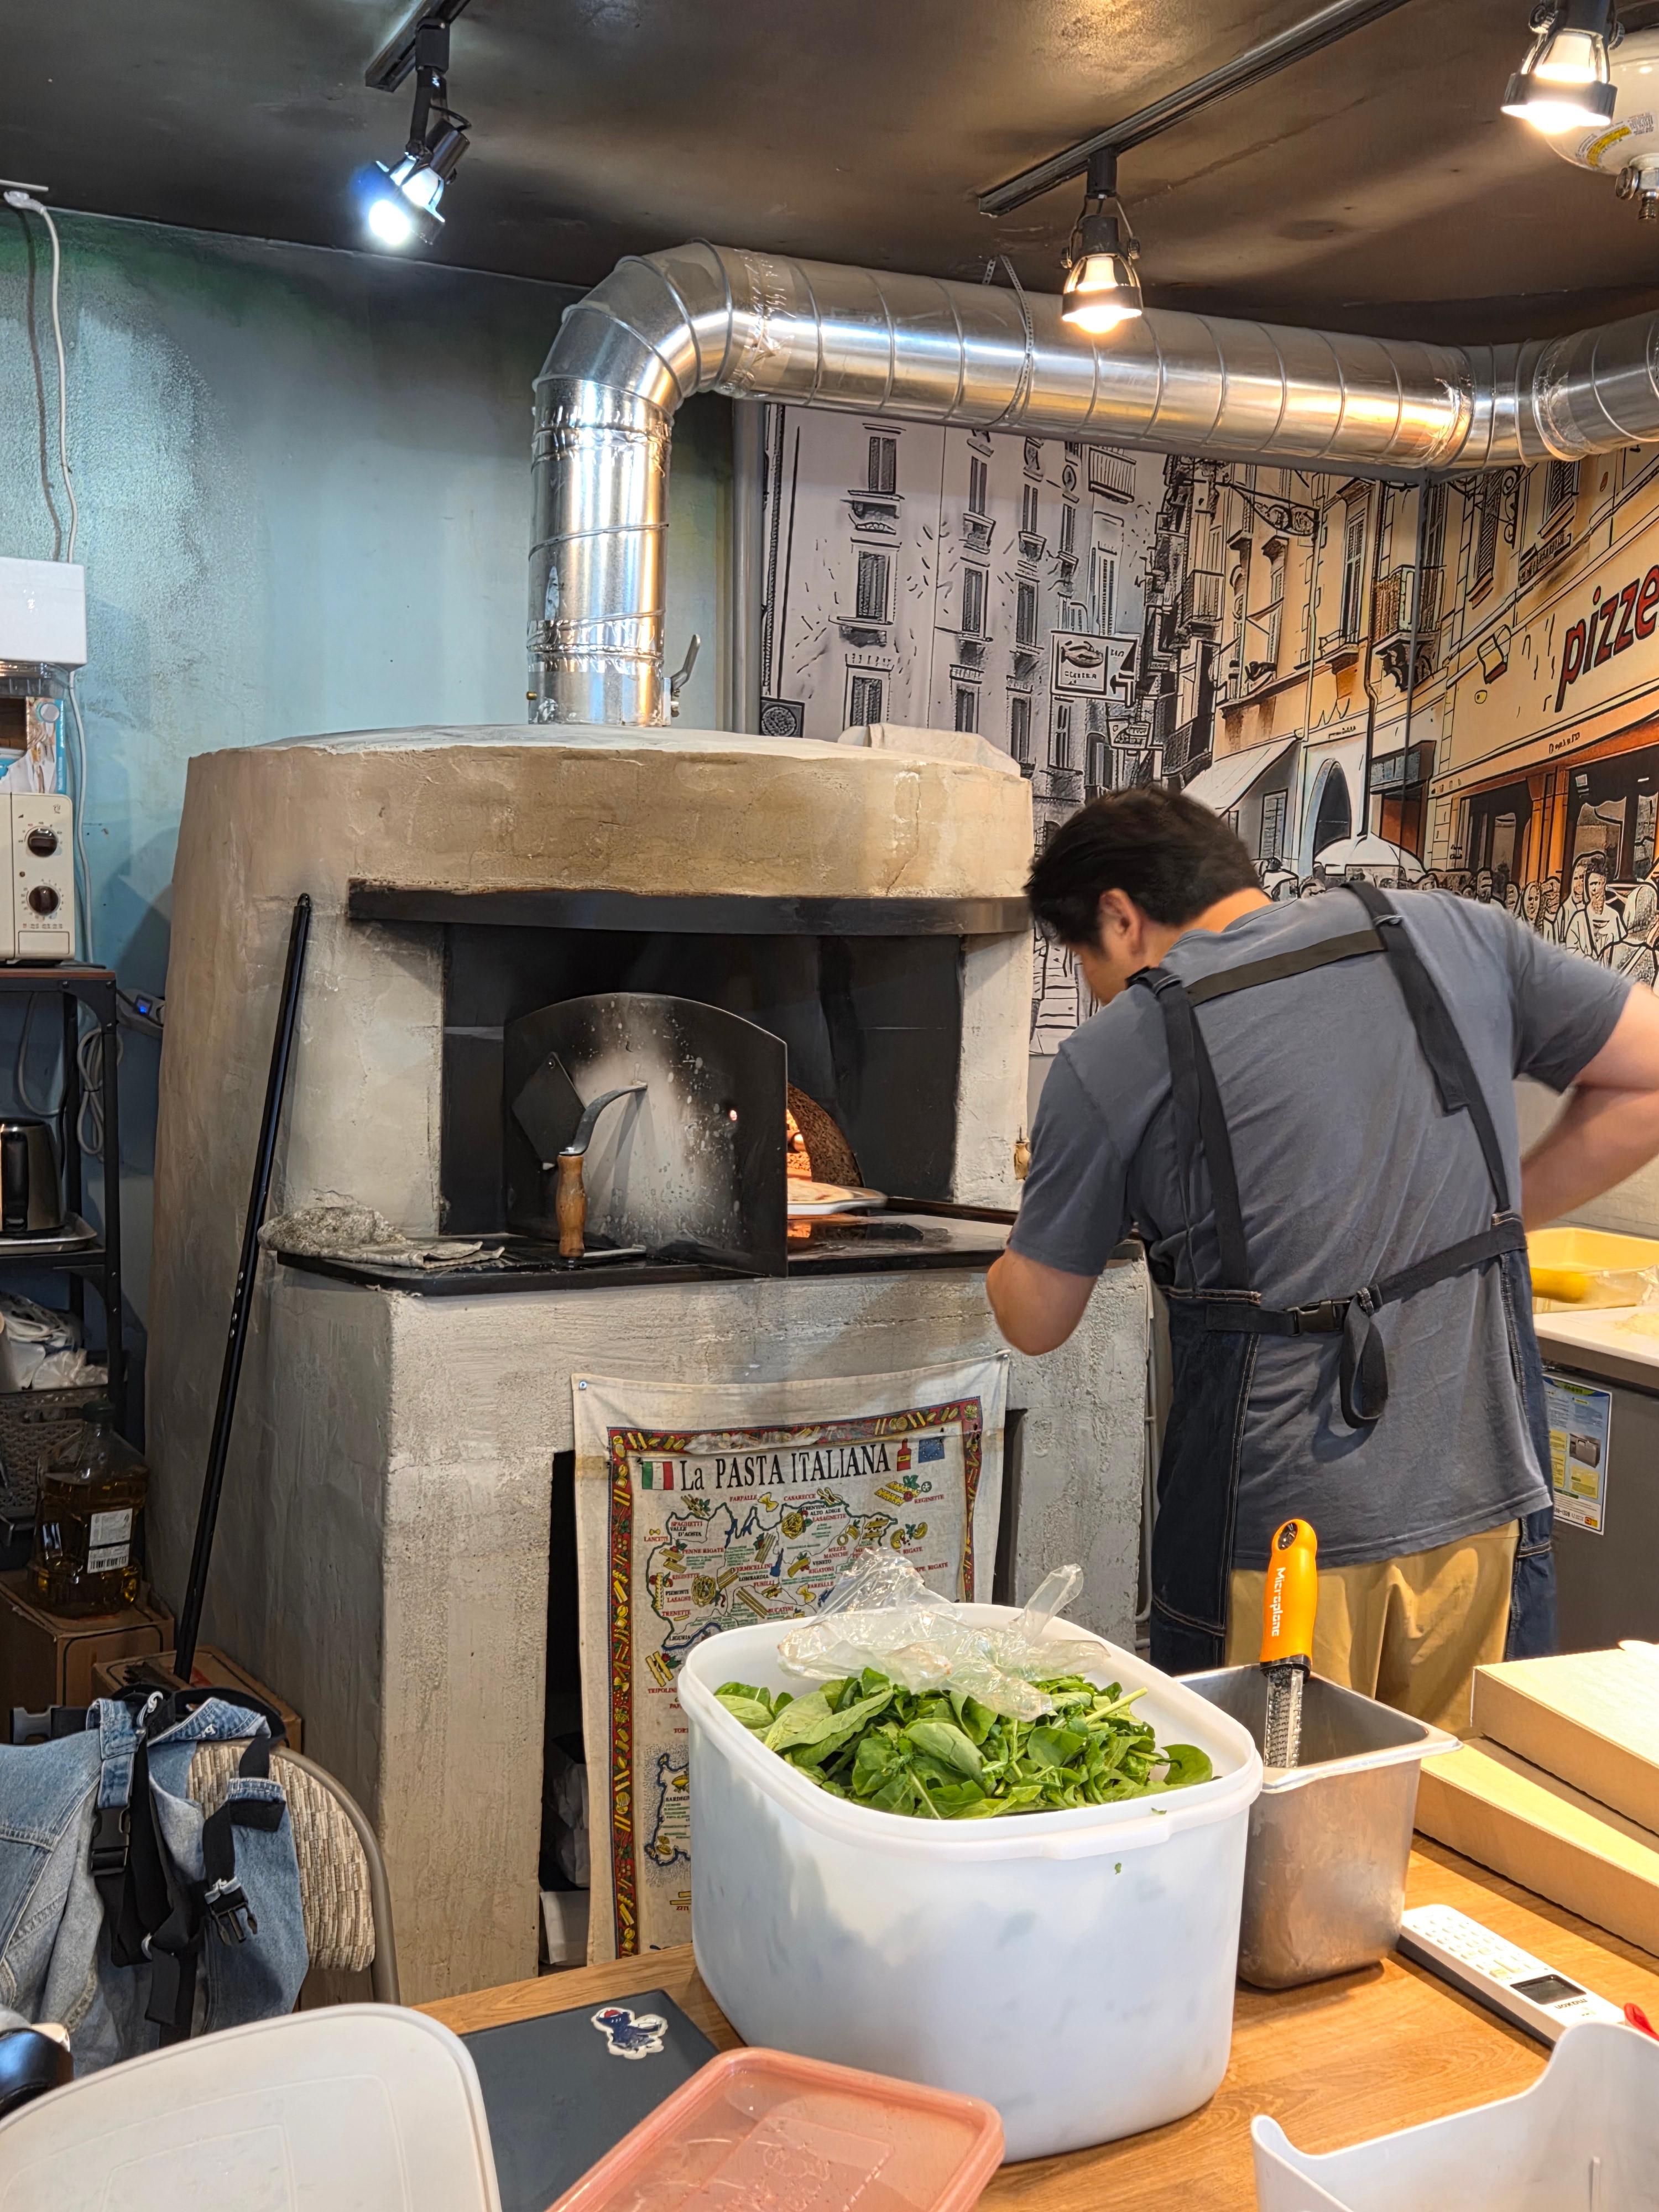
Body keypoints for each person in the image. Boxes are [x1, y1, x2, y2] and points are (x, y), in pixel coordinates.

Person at [987, 789, 1659, 1733]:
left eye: (1086, 961)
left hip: (1276, 1551)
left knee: (1282, 1852)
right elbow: (1650, 1072)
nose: (1099, 987)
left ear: (1119, 916)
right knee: (1470, 1841)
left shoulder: (1116, 1050)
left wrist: (1011, 1242)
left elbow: (1036, 1317)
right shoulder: (1450, 933)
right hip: (1488, 1507)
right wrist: (1492, 1218)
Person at [1566, 859, 1625, 964]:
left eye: (1597, 884)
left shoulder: (1614, 916)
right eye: (1591, 884)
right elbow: (1571, 949)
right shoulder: (1579, 919)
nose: (1594, 889)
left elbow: (1621, 948)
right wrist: (1585, 959)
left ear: (1604, 884)